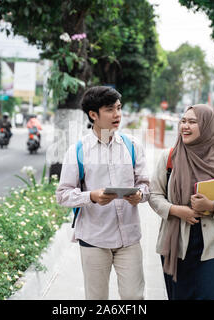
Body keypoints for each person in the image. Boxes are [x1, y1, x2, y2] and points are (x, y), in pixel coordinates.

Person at [56, 86, 150, 300]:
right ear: (93, 115)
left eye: (118, 108)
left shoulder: (132, 146)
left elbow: (145, 186)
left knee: (134, 297)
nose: (117, 115)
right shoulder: (77, 150)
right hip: (94, 239)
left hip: (129, 238)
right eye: (109, 109)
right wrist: (91, 196)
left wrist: (140, 196)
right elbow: (62, 195)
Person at [148, 104, 214, 300]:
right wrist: (176, 210)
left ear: (208, 127)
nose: (185, 126)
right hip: (176, 244)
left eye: (192, 122)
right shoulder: (169, 158)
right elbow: (153, 195)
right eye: (183, 121)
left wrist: (212, 207)